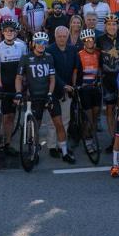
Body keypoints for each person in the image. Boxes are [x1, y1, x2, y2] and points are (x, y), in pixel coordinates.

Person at [15, 32, 75, 164]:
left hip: (48, 95)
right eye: (39, 42)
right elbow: (19, 78)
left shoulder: (49, 57)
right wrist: (19, 92)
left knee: (59, 123)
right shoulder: (25, 58)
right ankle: (34, 151)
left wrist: (49, 93)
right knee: (35, 127)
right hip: (34, 97)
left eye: (44, 43)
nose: (41, 45)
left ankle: (64, 152)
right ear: (33, 44)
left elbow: (52, 78)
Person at [0, 20, 27, 155]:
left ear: (15, 32)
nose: (8, 33)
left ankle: (7, 142)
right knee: (6, 116)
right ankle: (1, 138)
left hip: (17, 86)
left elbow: (25, 66)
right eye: (6, 30)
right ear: (2, 32)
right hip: (5, 85)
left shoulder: (22, 46)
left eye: (11, 30)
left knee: (12, 116)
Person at [98, 15, 119, 149]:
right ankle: (113, 138)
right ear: (105, 26)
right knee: (110, 108)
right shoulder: (99, 40)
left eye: (114, 24)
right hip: (107, 78)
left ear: (117, 26)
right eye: (109, 24)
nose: (112, 27)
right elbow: (97, 59)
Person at [45, 26, 77, 158]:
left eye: (64, 36)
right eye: (60, 36)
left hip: (68, 89)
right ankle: (52, 146)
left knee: (65, 119)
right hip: (53, 89)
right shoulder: (49, 50)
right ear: (55, 36)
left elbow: (75, 68)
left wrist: (73, 85)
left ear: (68, 36)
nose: (62, 39)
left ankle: (61, 144)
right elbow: (51, 72)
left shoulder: (72, 49)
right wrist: (63, 85)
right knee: (52, 121)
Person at [72, 29, 102, 153]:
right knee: (88, 118)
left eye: (91, 39)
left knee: (95, 117)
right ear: (83, 41)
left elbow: (100, 68)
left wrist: (100, 80)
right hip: (84, 89)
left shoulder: (98, 53)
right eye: (86, 40)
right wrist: (74, 86)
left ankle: (92, 138)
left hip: (96, 88)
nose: (89, 41)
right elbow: (74, 71)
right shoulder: (79, 54)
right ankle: (87, 141)